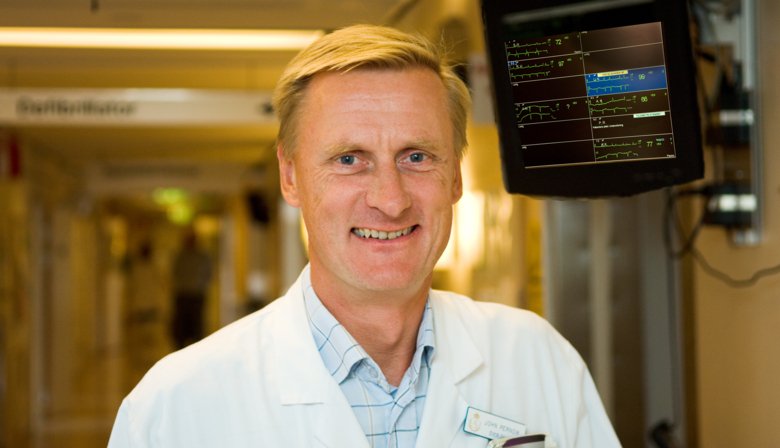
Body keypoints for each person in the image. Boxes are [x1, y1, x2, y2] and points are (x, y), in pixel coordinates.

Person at [108, 25, 621, 447]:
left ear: (456, 177)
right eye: (349, 159)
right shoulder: (175, 407)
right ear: (290, 177)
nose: (390, 200)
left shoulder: (538, 358)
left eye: (417, 156)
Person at [170, 230, 213, 348]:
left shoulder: (203, 256)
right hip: (183, 295)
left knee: (197, 329)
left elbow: (208, 274)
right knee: (181, 330)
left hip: (196, 296)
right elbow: (175, 273)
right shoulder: (180, 256)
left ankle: (196, 349)